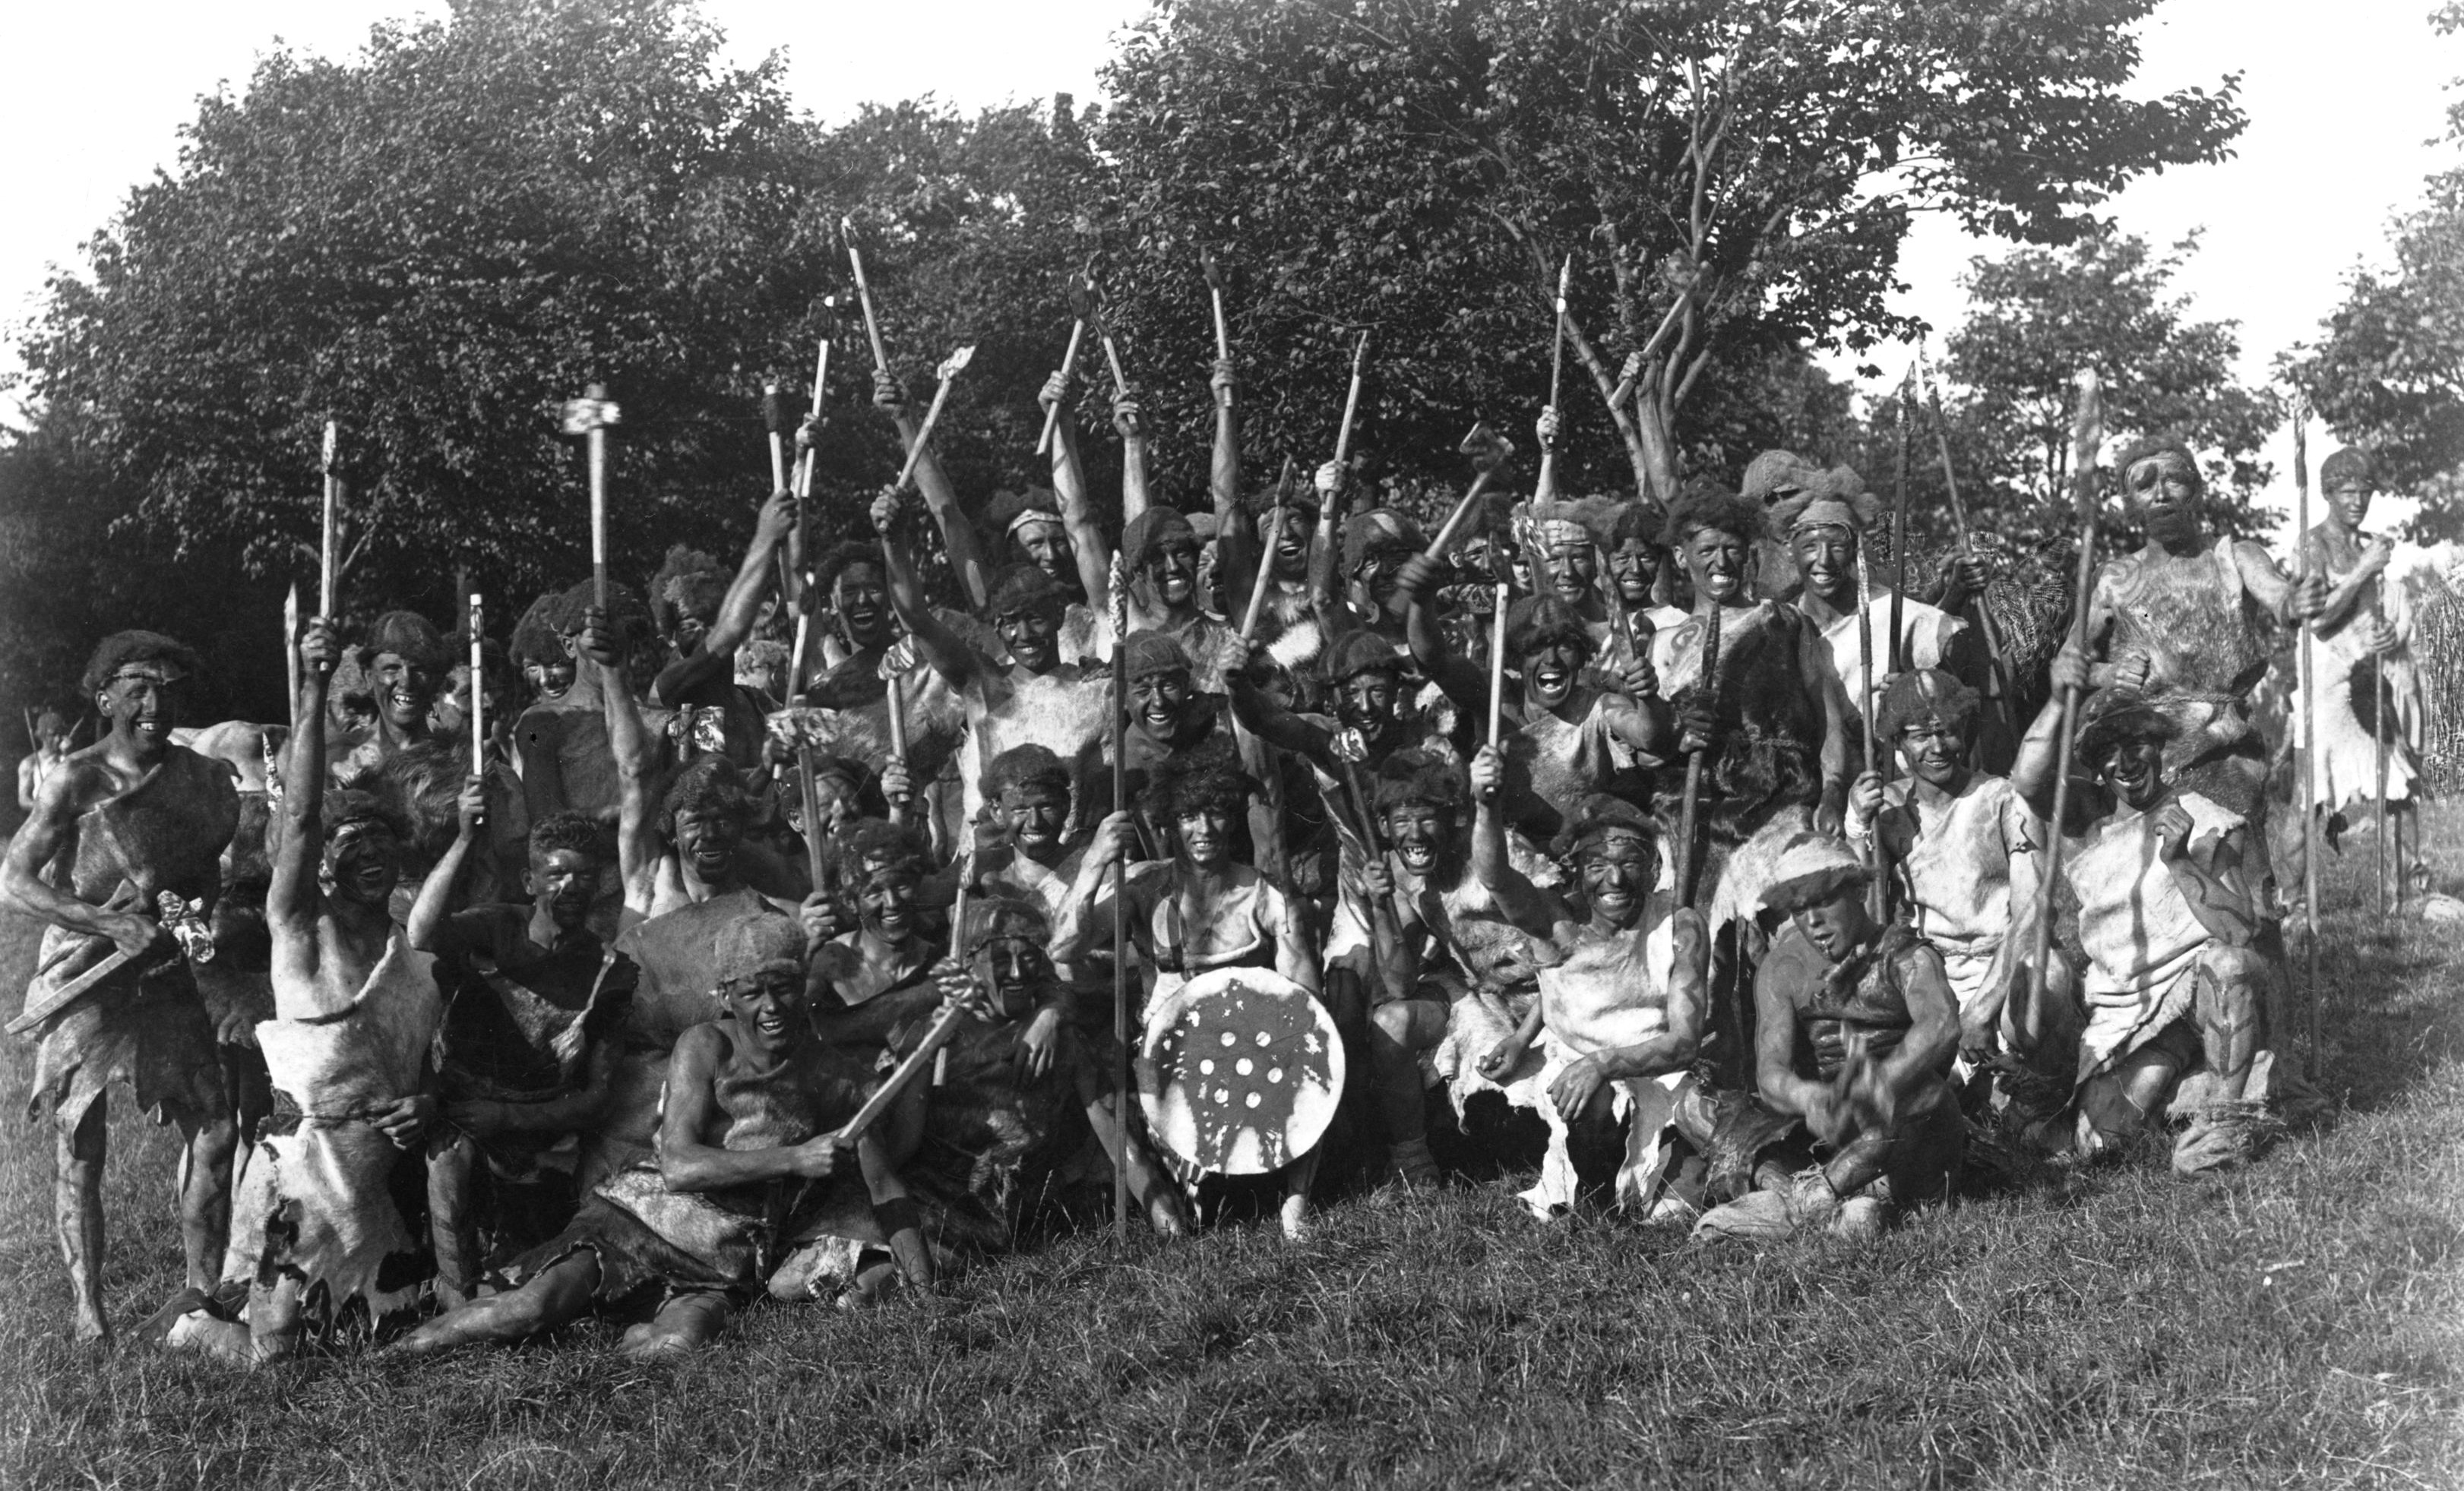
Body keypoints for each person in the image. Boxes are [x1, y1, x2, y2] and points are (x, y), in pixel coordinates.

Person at [397, 912, 934, 1357]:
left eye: (785, 988)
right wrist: (795, 1158)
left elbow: (886, 1189)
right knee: (528, 1309)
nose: (771, 1008)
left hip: (721, 1259)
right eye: (754, 992)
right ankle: (395, 1357)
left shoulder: (834, 1075)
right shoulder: (706, 1046)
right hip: (639, 1218)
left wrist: (925, 1292)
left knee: (677, 1348)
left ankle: (622, 1328)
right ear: (726, 993)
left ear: (805, 986)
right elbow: (679, 1165)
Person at [163, 614, 442, 1363]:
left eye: (381, 848)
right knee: (277, 1355)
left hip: (372, 1178)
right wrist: (314, 688)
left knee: (381, 1342)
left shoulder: (405, 941)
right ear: (324, 865)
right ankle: (204, 1322)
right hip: (302, 1168)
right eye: (352, 850)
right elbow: (298, 822)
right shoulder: (296, 926)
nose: (370, 862)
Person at [2, 632, 242, 1345]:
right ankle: (90, 1313)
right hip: (85, 969)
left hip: (166, 967)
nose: (154, 702)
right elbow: (14, 881)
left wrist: (189, 914)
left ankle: (201, 1295)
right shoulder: (73, 780)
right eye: (137, 687)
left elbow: (207, 872)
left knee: (217, 1124)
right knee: (80, 1138)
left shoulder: (201, 779)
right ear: (104, 698)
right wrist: (103, 920)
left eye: (167, 687)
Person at [2010, 649, 2295, 1174]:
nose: (2126, 761)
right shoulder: (2089, 829)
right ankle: (2187, 1092)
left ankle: (2226, 1124)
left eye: (2136, 742)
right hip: (2125, 1012)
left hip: (2201, 993)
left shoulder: (2207, 820)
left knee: (2227, 966)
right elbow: (2026, 782)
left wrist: (2181, 862)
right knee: (2097, 1146)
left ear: (2159, 745)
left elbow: (2239, 931)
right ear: (2096, 767)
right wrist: (2055, 699)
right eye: (2109, 752)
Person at [1051, 737, 1326, 1237]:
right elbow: (1064, 946)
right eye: (1189, 816)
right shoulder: (1144, 890)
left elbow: (1306, 1002)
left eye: (1217, 813)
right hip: (1163, 1053)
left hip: (1248, 1049)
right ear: (1169, 822)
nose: (1204, 829)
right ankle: (1175, 1195)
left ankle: (1295, 1202)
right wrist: (1093, 861)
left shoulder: (1263, 895)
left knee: (1313, 1058)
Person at [407, 785, 637, 1306]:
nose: (571, 887)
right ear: (529, 880)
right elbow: (421, 933)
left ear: (601, 882)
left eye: (584, 875)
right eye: (556, 874)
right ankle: (456, 1296)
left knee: (541, 1258)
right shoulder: (496, 927)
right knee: (450, 1161)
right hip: (459, 1114)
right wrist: (466, 838)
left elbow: (596, 1097)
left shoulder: (611, 969)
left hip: (540, 1131)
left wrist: (508, 1117)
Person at [1461, 756, 1710, 1222]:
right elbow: (1495, 878)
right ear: (1576, 870)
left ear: (1654, 868)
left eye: (1630, 862)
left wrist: (1605, 1063)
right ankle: (1592, 1204)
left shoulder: (1680, 927)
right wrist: (1485, 807)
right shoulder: (1553, 922)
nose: (1614, 880)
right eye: (1597, 864)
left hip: (1659, 1079)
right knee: (1593, 1101)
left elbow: (1685, 1042)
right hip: (1578, 1084)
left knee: (1676, 1209)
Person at [1689, 836, 1964, 1241]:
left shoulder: (1906, 955)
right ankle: (1850, 1213)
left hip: (1904, 1135)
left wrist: (1879, 1085)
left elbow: (1940, 1025)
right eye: (1800, 909)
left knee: (1924, 1093)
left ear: (1859, 891)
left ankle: (1806, 1201)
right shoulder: (1783, 967)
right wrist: (1811, 1099)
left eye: (1824, 902)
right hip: (1823, 1132)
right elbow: (1771, 1073)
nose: (1813, 921)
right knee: (1726, 1114)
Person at [2083, 438, 2326, 839]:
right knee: (2154, 877)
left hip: (2225, 746)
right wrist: (2109, 675)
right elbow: (2071, 665)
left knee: (2234, 866)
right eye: (2145, 484)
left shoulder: (2234, 557)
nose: (2161, 493)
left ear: (2195, 491)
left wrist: (2295, 601)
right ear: (2129, 502)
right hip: (2143, 754)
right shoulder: (2118, 581)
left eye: (2175, 480)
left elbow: (2278, 595)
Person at [1845, 669, 2051, 1086]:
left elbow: (2033, 911)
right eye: (1920, 735)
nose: (1937, 748)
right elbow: (1863, 914)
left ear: (1966, 732)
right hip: (1928, 975)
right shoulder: (1885, 809)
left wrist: (1981, 1010)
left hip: (2000, 966)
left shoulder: (2001, 798)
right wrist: (1857, 828)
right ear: (1898, 742)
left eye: (1947, 732)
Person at [1405, 562, 1669, 852]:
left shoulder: (1600, 706)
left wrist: (1647, 696)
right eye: (1536, 648)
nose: (1551, 659)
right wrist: (1420, 602)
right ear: (1516, 660)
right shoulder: (1493, 697)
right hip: (1505, 856)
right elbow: (1434, 660)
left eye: (1564, 646)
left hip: (1581, 854)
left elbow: (1649, 735)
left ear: (1582, 658)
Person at [2295, 447, 2422, 905]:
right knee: (2312, 791)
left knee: (2401, 780)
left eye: (2365, 491)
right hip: (2326, 678)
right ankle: (2289, 901)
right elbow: (2318, 619)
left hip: (2368, 673)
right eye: (2347, 491)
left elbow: (2371, 615)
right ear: (2328, 492)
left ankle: (2410, 889)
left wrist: (2387, 634)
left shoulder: (2365, 543)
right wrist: (2363, 569)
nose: (2357, 500)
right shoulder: (2313, 544)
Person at [1776, 489, 1982, 747]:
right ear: (1788, 549)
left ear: (1855, 549)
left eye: (1838, 546)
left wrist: (1912, 691)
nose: (1824, 560)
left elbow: (1955, 694)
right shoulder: (1784, 626)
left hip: (1892, 776)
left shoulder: (1898, 615)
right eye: (1810, 546)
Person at [330, 610, 453, 786]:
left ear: (436, 680)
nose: (406, 682)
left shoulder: (456, 760)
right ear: (368, 677)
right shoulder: (339, 757)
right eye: (392, 668)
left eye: (419, 669)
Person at [17, 708, 71, 812]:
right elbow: (23, 799)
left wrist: (69, 755)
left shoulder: (67, 756)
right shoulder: (29, 763)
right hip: (42, 817)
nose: (58, 739)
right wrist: (42, 807)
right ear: (42, 735)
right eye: (53, 734)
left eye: (61, 734)